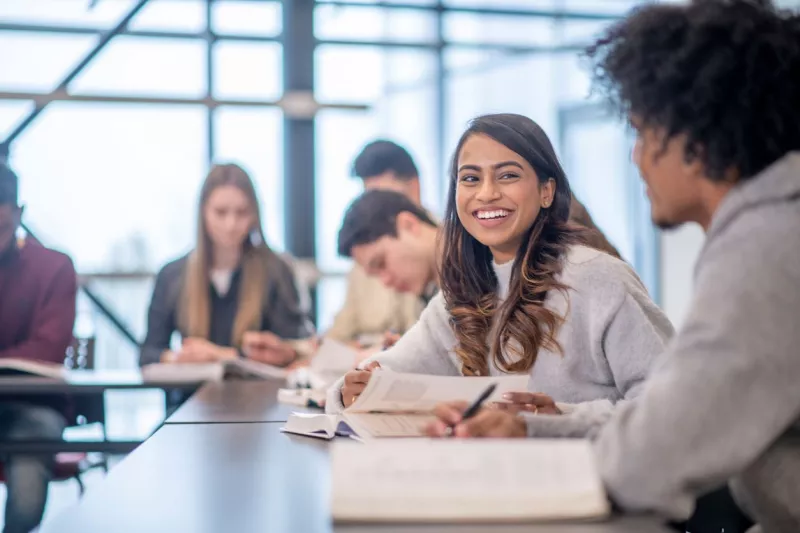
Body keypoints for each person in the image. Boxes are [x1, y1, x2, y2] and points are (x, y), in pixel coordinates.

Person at [426, 2, 800, 531]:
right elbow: (676, 412)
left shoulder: (768, 248)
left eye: (645, 134)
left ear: (696, 135)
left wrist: (527, 461)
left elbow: (671, 441)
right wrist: (535, 428)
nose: (636, 158)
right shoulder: (770, 229)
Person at [326, 113, 673, 419]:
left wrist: (561, 417)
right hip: (508, 478)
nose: (486, 193)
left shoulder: (598, 278)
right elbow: (390, 368)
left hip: (597, 483)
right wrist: (350, 389)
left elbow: (670, 404)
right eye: (471, 179)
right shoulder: (464, 293)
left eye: (507, 175)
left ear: (546, 191)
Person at [140, 163, 311, 368]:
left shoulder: (276, 270)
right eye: (220, 212)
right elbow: (148, 353)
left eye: (241, 213)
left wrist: (220, 355)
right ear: (203, 212)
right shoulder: (171, 275)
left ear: (254, 215)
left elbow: (295, 348)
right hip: (189, 397)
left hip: (259, 397)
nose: (231, 224)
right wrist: (178, 358)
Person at [0, 164, 77, 533]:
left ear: (18, 214)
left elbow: (47, 349)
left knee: (26, 505)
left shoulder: (53, 268)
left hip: (33, 406)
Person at [325, 140, 429, 347]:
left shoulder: (451, 249)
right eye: (369, 197)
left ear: (414, 189)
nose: (375, 208)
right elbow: (339, 334)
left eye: (384, 196)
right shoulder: (364, 256)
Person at [337, 189, 440, 306]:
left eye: (381, 263)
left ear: (409, 225)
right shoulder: (432, 295)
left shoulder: (463, 278)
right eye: (376, 274)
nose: (386, 282)